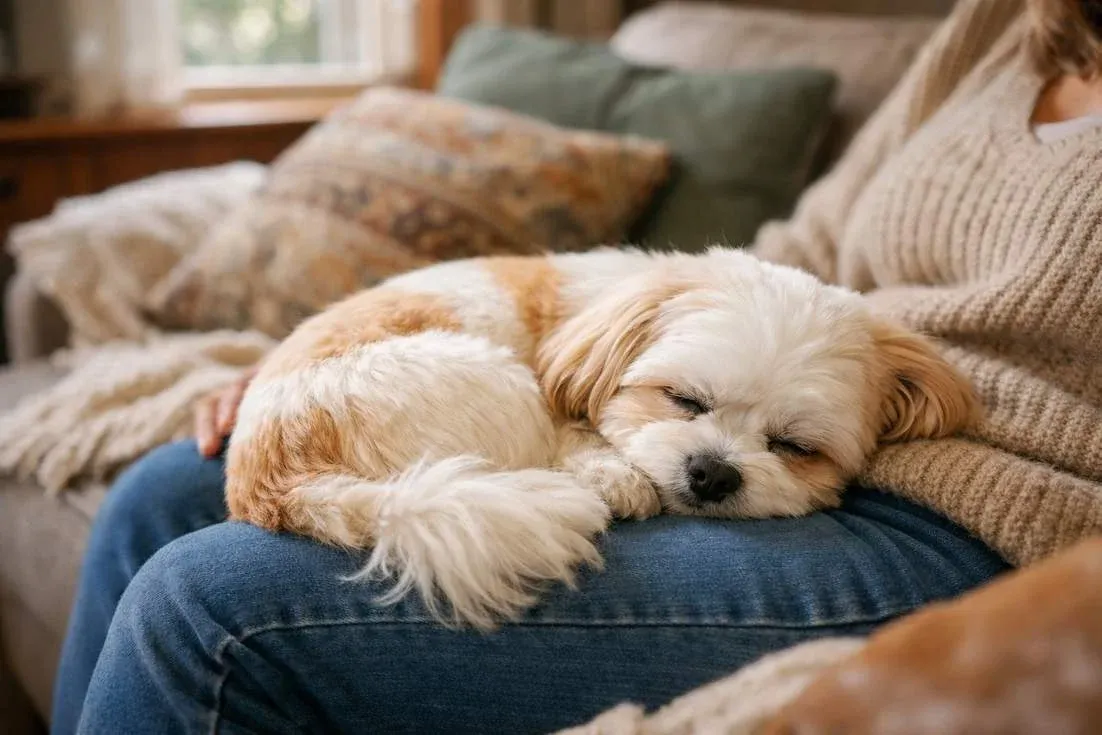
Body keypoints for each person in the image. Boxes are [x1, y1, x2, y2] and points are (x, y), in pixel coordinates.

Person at [52, 0, 1102, 731]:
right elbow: (810, 248)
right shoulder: (1004, 22)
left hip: (982, 523)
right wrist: (308, 361)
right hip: (802, 373)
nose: (708, 463)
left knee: (208, 606)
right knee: (157, 495)